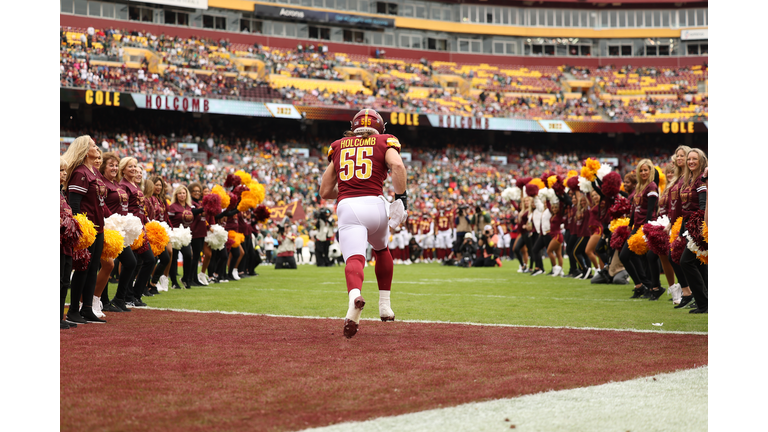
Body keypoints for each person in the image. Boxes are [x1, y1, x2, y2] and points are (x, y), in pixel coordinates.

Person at [319, 108, 407, 339]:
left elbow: (325, 190)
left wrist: (351, 187)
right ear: (379, 127)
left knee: (355, 258)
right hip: (376, 205)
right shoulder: (384, 141)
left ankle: (354, 299)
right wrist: (401, 200)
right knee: (382, 250)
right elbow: (397, 166)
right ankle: (385, 306)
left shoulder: (338, 145)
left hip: (349, 206)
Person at [62, 135, 107, 324]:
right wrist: (80, 230)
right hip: (87, 228)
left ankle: (87, 307)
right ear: (84, 149)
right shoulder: (80, 172)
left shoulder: (94, 171)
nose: (97, 148)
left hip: (98, 226)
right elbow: (74, 203)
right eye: (93, 146)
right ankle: (73, 310)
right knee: (83, 268)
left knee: (92, 268)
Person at [60, 157, 78, 329]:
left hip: (66, 244)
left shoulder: (62, 194)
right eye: (60, 171)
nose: (64, 174)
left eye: (64, 171)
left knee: (65, 280)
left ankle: (60, 316)